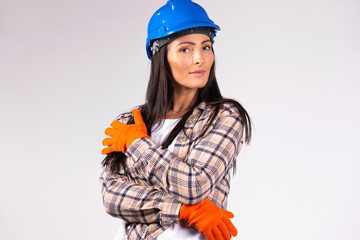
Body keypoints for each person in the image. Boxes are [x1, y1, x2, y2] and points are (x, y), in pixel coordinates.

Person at [99, 0, 252, 239]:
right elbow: (112, 196)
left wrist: (137, 145)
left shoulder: (224, 116)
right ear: (161, 56)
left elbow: (194, 185)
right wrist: (182, 210)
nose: (200, 59)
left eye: (206, 47)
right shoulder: (130, 121)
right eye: (185, 49)